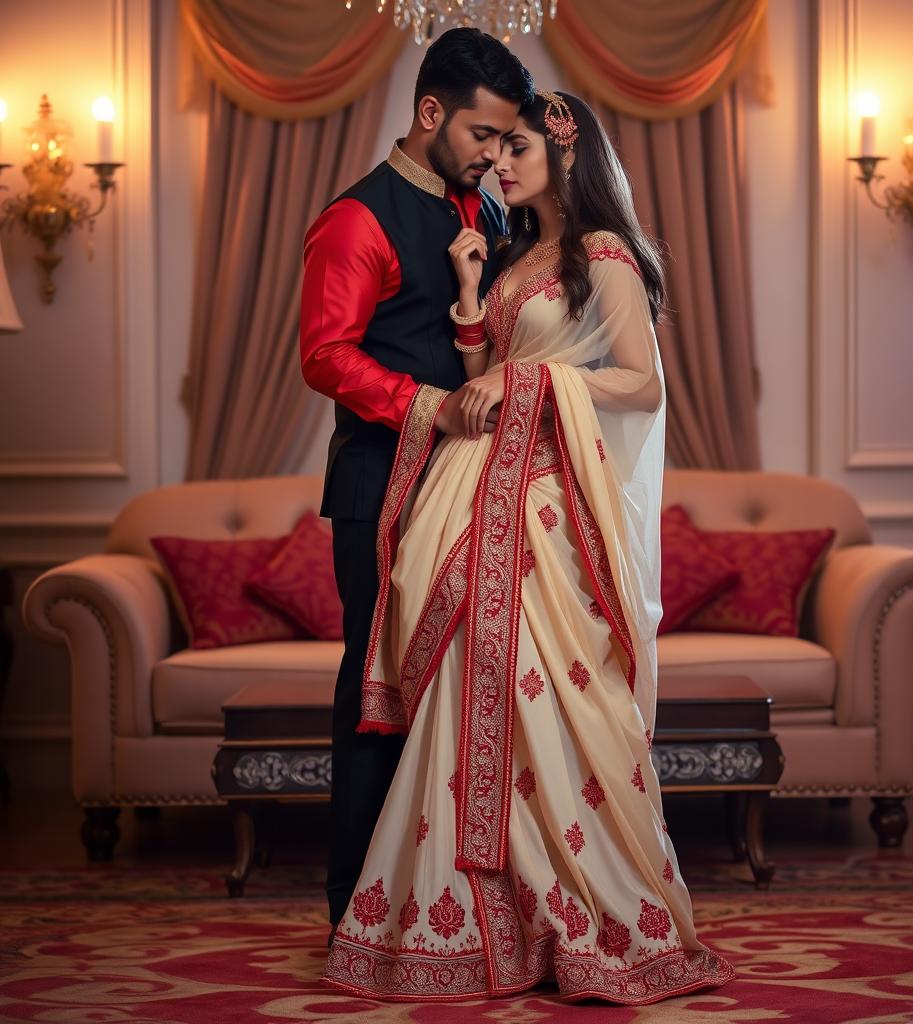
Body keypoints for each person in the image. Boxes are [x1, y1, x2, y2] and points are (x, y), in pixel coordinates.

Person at [321, 90, 734, 1004]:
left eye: (519, 150)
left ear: (566, 153)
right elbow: (483, 383)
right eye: (496, 149)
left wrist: (535, 381)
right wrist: (472, 296)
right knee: (471, 697)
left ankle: (584, 916)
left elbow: (639, 385)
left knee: (555, 704)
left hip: (549, 514)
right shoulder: (513, 256)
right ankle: (479, 919)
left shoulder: (603, 255)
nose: (501, 166)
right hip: (480, 498)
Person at [299, 28, 535, 943]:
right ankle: (352, 914)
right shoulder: (356, 219)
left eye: (504, 138)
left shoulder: (482, 210)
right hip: (378, 488)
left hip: (473, 488)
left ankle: (452, 911)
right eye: (482, 133)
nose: (494, 155)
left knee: (465, 693)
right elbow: (325, 357)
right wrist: (429, 405)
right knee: (379, 691)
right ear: (430, 112)